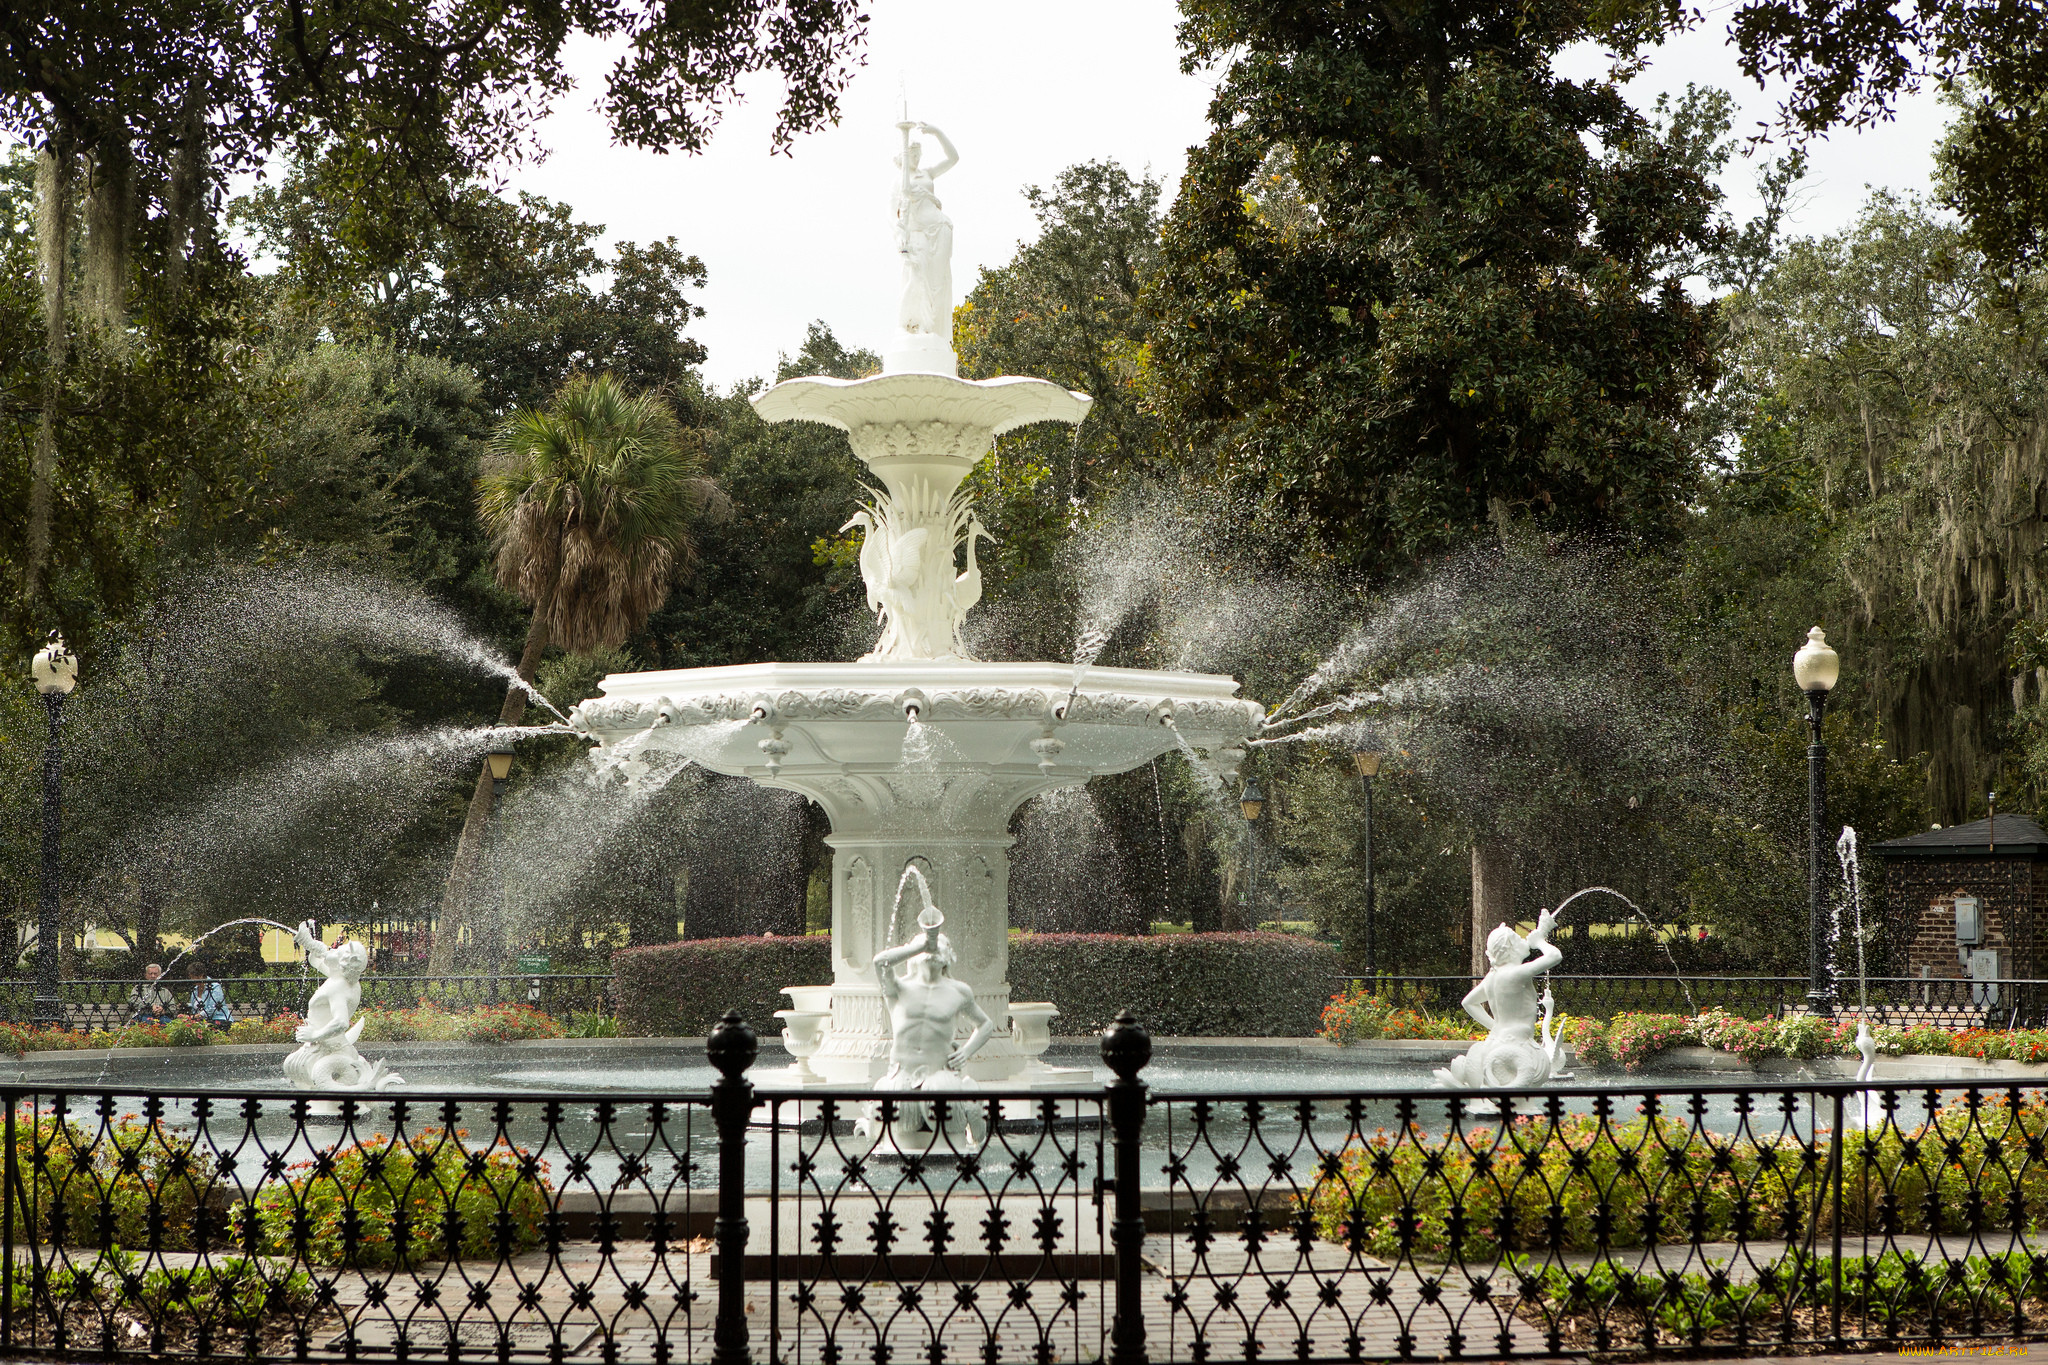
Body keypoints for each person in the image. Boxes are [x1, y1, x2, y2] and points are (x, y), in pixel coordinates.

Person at [181, 961, 234, 1030]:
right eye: (191, 977)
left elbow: (213, 1008)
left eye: (193, 977)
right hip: (202, 1021)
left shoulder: (215, 987)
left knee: (198, 1029)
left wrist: (195, 1016)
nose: (192, 980)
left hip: (218, 1020)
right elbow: (195, 1006)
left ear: (201, 975)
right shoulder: (195, 989)